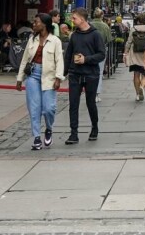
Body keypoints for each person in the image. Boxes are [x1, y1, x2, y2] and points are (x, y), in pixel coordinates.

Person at [15, 13, 64, 150]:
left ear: (44, 24)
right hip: (33, 75)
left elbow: (59, 60)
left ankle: (48, 129)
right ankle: (36, 137)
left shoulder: (55, 41)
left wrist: (58, 78)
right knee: (34, 107)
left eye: (36, 22)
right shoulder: (32, 39)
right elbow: (25, 59)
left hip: (49, 76)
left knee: (49, 108)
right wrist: (20, 79)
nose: (34, 24)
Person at [62, 8, 106, 145]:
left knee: (90, 103)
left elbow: (101, 54)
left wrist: (85, 59)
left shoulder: (95, 34)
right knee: (73, 104)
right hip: (75, 74)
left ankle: (94, 127)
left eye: (74, 18)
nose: (71, 20)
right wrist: (62, 73)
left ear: (82, 19)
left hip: (91, 74)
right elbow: (68, 55)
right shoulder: (74, 35)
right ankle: (73, 133)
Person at [125, 13, 145, 102]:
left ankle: (137, 94)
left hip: (135, 55)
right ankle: (142, 87)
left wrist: (125, 53)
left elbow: (129, 42)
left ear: (138, 21)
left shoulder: (133, 29)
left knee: (136, 74)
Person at [90, 14, 113, 102]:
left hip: (90, 50)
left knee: (90, 72)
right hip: (101, 50)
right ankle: (97, 93)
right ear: (101, 16)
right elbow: (109, 39)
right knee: (99, 73)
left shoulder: (89, 24)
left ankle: (92, 92)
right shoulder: (105, 26)